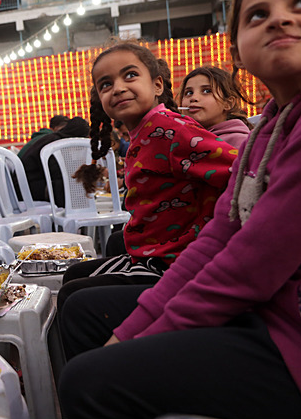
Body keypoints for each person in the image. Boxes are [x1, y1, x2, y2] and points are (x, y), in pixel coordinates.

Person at [58, 0, 301, 419]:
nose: (279, 18)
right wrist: (134, 334)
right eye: (258, 14)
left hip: (289, 328)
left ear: (159, 85)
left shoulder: (168, 128)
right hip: (261, 306)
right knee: (81, 302)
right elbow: (222, 233)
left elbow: (249, 260)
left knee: (83, 337)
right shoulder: (270, 129)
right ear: (238, 52)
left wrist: (146, 335)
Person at [60, 42, 238, 316]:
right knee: (74, 277)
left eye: (130, 75)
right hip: (152, 254)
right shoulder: (145, 132)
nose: (118, 88)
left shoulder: (171, 129)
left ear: (157, 85)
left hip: (173, 263)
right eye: (106, 84)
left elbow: (241, 169)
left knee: (75, 301)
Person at [18, 116, 89, 205]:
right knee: (67, 183)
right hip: (27, 189)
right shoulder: (56, 144)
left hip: (25, 186)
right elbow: (57, 174)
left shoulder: (53, 138)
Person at [178, 65, 252, 150]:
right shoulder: (179, 141)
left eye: (207, 91)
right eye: (189, 93)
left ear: (228, 103)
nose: (193, 98)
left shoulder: (240, 142)